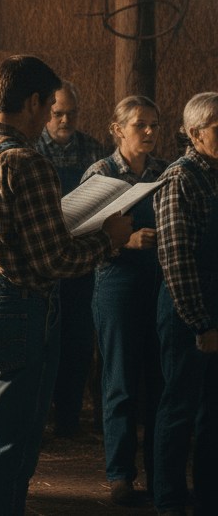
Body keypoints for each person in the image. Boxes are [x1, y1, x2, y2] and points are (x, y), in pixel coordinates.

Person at [0, 55, 131, 516]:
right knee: (10, 449)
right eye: (49, 105)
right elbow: (56, 259)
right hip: (15, 315)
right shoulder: (28, 163)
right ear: (32, 102)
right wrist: (108, 241)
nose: (51, 115)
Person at [82, 96, 168, 506]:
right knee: (119, 383)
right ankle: (120, 475)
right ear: (117, 130)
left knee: (159, 382)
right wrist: (123, 242)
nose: (150, 132)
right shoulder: (100, 174)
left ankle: (159, 473)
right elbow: (78, 234)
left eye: (154, 124)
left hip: (161, 285)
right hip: (116, 284)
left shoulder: (165, 172)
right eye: (140, 125)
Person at [152, 92, 218, 516]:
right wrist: (200, 323)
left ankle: (210, 494)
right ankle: (170, 498)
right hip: (188, 308)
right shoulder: (181, 178)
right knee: (180, 407)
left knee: (213, 410)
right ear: (195, 134)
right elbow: (176, 259)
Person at [35, 80, 107, 437]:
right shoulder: (32, 148)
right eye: (59, 113)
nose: (65, 120)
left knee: (78, 337)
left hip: (80, 254)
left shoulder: (92, 149)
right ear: (47, 112)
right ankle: (40, 413)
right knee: (43, 336)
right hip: (45, 253)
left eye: (72, 113)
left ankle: (69, 416)